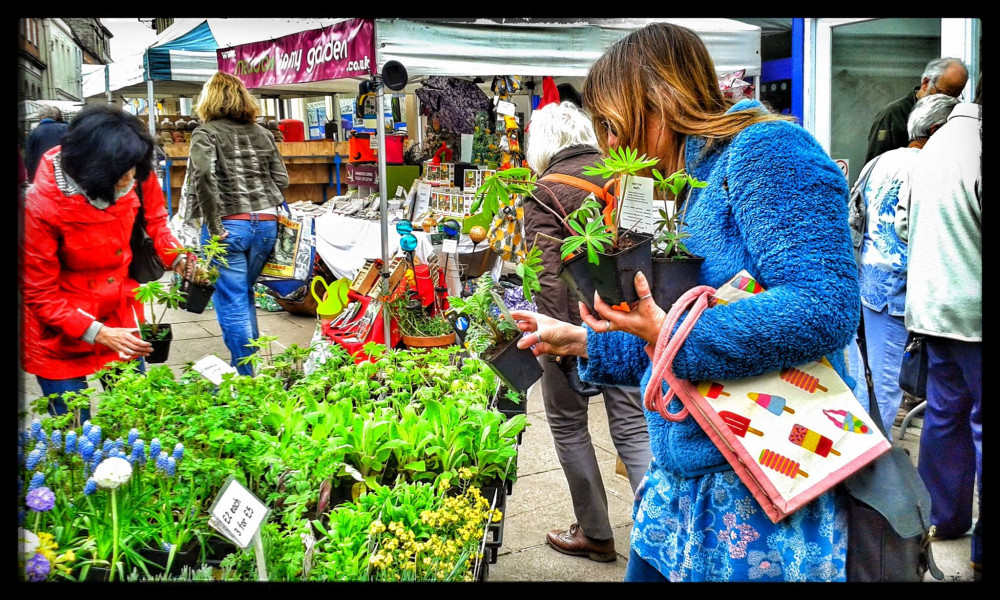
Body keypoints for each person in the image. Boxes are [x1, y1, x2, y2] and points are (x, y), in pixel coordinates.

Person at [512, 22, 859, 582]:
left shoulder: (766, 149)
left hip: (762, 476)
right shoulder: (662, 186)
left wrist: (670, 332)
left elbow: (825, 306)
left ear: (657, 101)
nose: (608, 144)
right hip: (680, 477)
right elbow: (662, 334)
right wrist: (581, 340)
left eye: (611, 123)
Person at [522, 100, 652, 562]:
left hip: (573, 327)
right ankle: (665, 533)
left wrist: (559, 346)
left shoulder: (543, 191)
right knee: (635, 428)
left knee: (567, 424)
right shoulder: (624, 173)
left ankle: (596, 533)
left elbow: (547, 276)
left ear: (541, 144)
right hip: (634, 320)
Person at [20, 104, 186, 421]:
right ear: (94, 173)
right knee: (74, 429)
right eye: (122, 178)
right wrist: (96, 332)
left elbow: (157, 222)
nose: (130, 181)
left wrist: (176, 255)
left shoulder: (131, 167)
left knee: (133, 415)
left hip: (119, 311)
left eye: (133, 174)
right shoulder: (39, 206)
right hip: (59, 329)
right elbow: (40, 294)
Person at [895, 98, 981, 577]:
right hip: (974, 310)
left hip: (932, 308)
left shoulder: (933, 148)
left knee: (945, 416)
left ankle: (940, 521)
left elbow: (905, 225)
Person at [852, 93, 959, 434]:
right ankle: (871, 469)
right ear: (937, 129)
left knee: (874, 377)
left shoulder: (880, 161)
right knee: (886, 383)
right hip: (899, 283)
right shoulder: (928, 167)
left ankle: (866, 459)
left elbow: (854, 215)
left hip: (869, 278)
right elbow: (912, 227)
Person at [182, 72, 289, 376]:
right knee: (244, 293)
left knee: (231, 299)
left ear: (209, 100)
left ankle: (245, 377)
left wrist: (214, 225)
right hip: (266, 224)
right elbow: (281, 179)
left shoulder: (206, 133)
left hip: (228, 225)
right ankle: (250, 368)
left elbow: (203, 176)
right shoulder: (263, 133)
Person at [864, 57, 968, 164]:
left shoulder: (953, 116)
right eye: (945, 94)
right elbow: (874, 167)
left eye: (955, 97)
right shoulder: (892, 115)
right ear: (925, 83)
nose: (948, 102)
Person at [24, 105, 69, 182]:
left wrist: (31, 178)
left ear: (40, 117)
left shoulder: (33, 133)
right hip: (64, 173)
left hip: (42, 175)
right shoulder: (66, 128)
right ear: (54, 116)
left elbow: (29, 157)